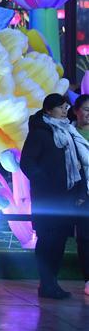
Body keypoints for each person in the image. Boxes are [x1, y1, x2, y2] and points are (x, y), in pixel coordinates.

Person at [21, 93, 89, 299]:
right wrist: (44, 183)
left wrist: (77, 192)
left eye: (65, 107)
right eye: (60, 108)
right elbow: (27, 163)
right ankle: (46, 283)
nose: (64, 111)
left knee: (58, 241)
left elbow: (77, 167)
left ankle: (52, 284)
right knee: (47, 240)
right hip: (47, 199)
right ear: (49, 110)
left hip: (65, 199)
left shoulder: (68, 132)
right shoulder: (40, 133)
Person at [70, 94, 89, 295]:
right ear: (76, 111)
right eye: (86, 109)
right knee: (85, 237)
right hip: (81, 195)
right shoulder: (68, 134)